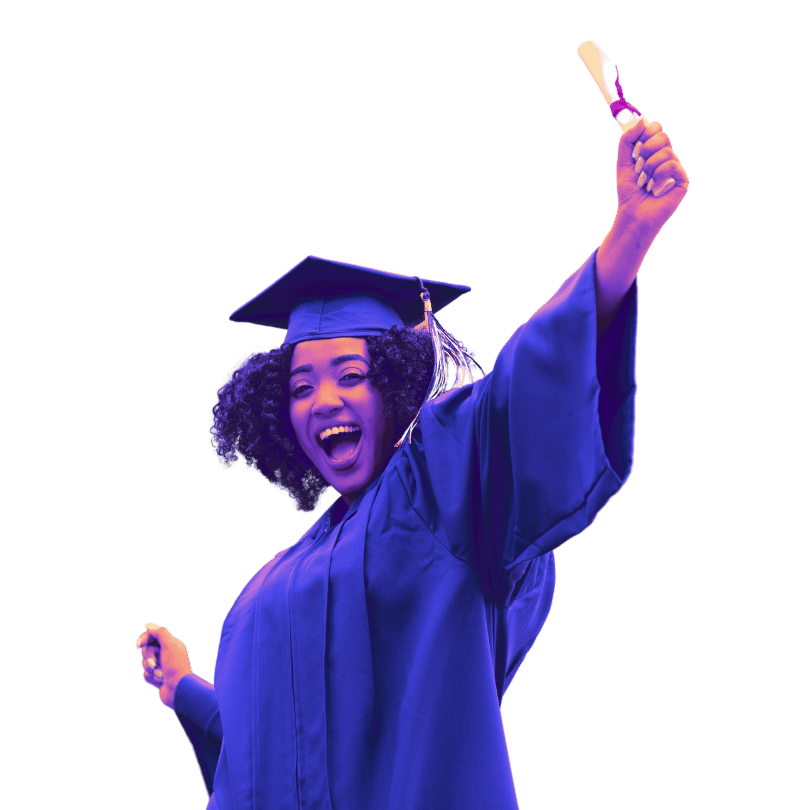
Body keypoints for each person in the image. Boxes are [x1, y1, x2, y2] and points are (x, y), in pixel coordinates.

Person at [135, 116, 689, 809]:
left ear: (398, 383)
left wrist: (627, 236)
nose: (322, 402)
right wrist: (185, 688)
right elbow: (268, 759)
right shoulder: (260, 592)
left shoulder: (439, 492)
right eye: (301, 387)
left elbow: (516, 404)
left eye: (350, 375)